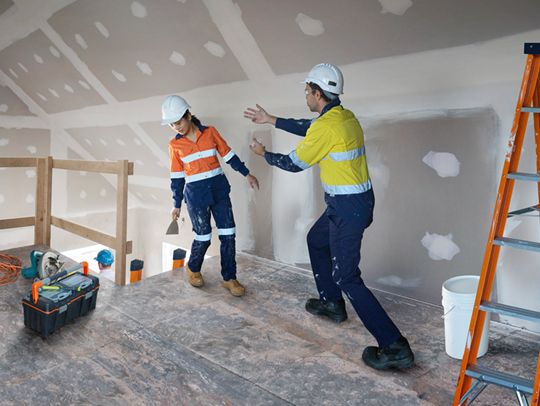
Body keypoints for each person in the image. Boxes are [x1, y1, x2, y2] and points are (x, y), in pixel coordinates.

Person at [244, 63, 414, 369]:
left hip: (347, 209)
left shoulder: (327, 126)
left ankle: (394, 345)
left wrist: (263, 154)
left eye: (307, 91)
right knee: (316, 240)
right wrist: (270, 119)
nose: (305, 96)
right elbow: (307, 127)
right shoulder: (343, 117)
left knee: (347, 276)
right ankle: (332, 303)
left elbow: (294, 163)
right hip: (354, 203)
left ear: (318, 93)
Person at [162, 95, 259, 297]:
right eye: (172, 125)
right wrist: (176, 203)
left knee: (228, 234)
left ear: (188, 115)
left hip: (219, 190)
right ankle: (193, 268)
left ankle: (229, 278)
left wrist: (246, 173)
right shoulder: (175, 146)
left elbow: (228, 155)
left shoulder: (211, 132)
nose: (176, 127)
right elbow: (177, 177)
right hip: (196, 197)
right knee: (204, 236)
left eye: (178, 122)